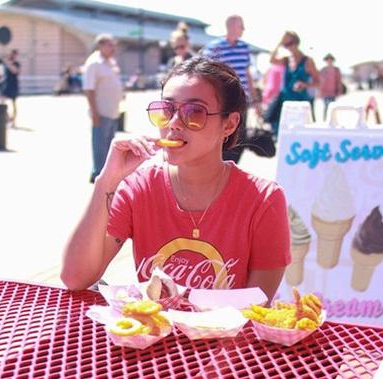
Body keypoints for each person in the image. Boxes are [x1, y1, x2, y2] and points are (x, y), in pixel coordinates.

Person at [61, 57, 291, 301]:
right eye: (166, 110)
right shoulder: (139, 188)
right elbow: (76, 278)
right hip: (152, 335)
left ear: (230, 124)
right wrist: (107, 181)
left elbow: (256, 306)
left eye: (194, 112)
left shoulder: (265, 200)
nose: (173, 124)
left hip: (225, 337)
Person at [201, 15, 261, 163]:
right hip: (224, 101)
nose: (243, 29)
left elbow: (248, 75)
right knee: (223, 134)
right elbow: (206, 74)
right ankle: (219, 164)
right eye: (241, 26)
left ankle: (230, 166)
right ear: (232, 26)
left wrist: (255, 101)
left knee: (240, 135)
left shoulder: (244, 48)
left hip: (242, 100)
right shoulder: (215, 47)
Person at [82, 34, 124, 184]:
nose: (113, 48)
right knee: (99, 145)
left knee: (108, 145)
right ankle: (98, 174)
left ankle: (107, 174)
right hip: (101, 112)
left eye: (114, 45)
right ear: (101, 46)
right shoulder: (94, 63)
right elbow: (89, 89)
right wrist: (94, 112)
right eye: (110, 45)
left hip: (113, 111)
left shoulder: (111, 62)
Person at [265, 31, 320, 138]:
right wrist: (279, 43)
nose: (288, 47)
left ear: (296, 42)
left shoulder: (307, 61)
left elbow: (317, 82)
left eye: (289, 43)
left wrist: (305, 85)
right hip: (286, 104)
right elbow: (271, 60)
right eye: (286, 45)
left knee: (303, 135)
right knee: (284, 135)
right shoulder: (286, 60)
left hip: (301, 104)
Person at [0, 49, 20, 127]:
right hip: (6, 85)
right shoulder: (4, 64)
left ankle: (13, 121)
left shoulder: (16, 64)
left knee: (14, 104)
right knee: (1, 102)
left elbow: (15, 71)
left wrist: (9, 64)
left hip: (13, 85)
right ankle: (7, 118)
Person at [319, 53, 343, 120]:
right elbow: (320, 82)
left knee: (332, 107)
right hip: (325, 92)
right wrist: (320, 92)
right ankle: (325, 120)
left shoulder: (336, 70)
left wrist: (339, 90)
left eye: (330, 60)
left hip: (333, 92)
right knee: (326, 106)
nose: (329, 61)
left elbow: (339, 81)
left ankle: (333, 120)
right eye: (328, 60)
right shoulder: (323, 70)